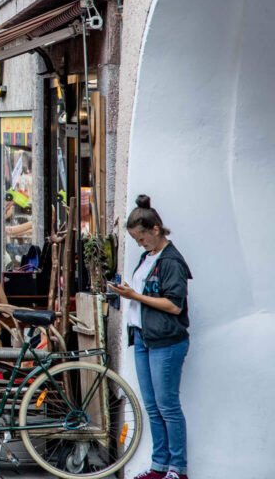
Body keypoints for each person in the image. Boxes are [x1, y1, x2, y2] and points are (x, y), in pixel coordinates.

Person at [109, 196, 192, 479]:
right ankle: (159, 466)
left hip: (166, 342)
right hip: (144, 339)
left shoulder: (171, 261)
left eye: (141, 237)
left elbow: (174, 305)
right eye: (135, 239)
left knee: (168, 406)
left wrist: (136, 296)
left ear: (156, 229)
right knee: (152, 406)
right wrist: (126, 293)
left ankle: (177, 469)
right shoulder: (148, 257)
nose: (139, 243)